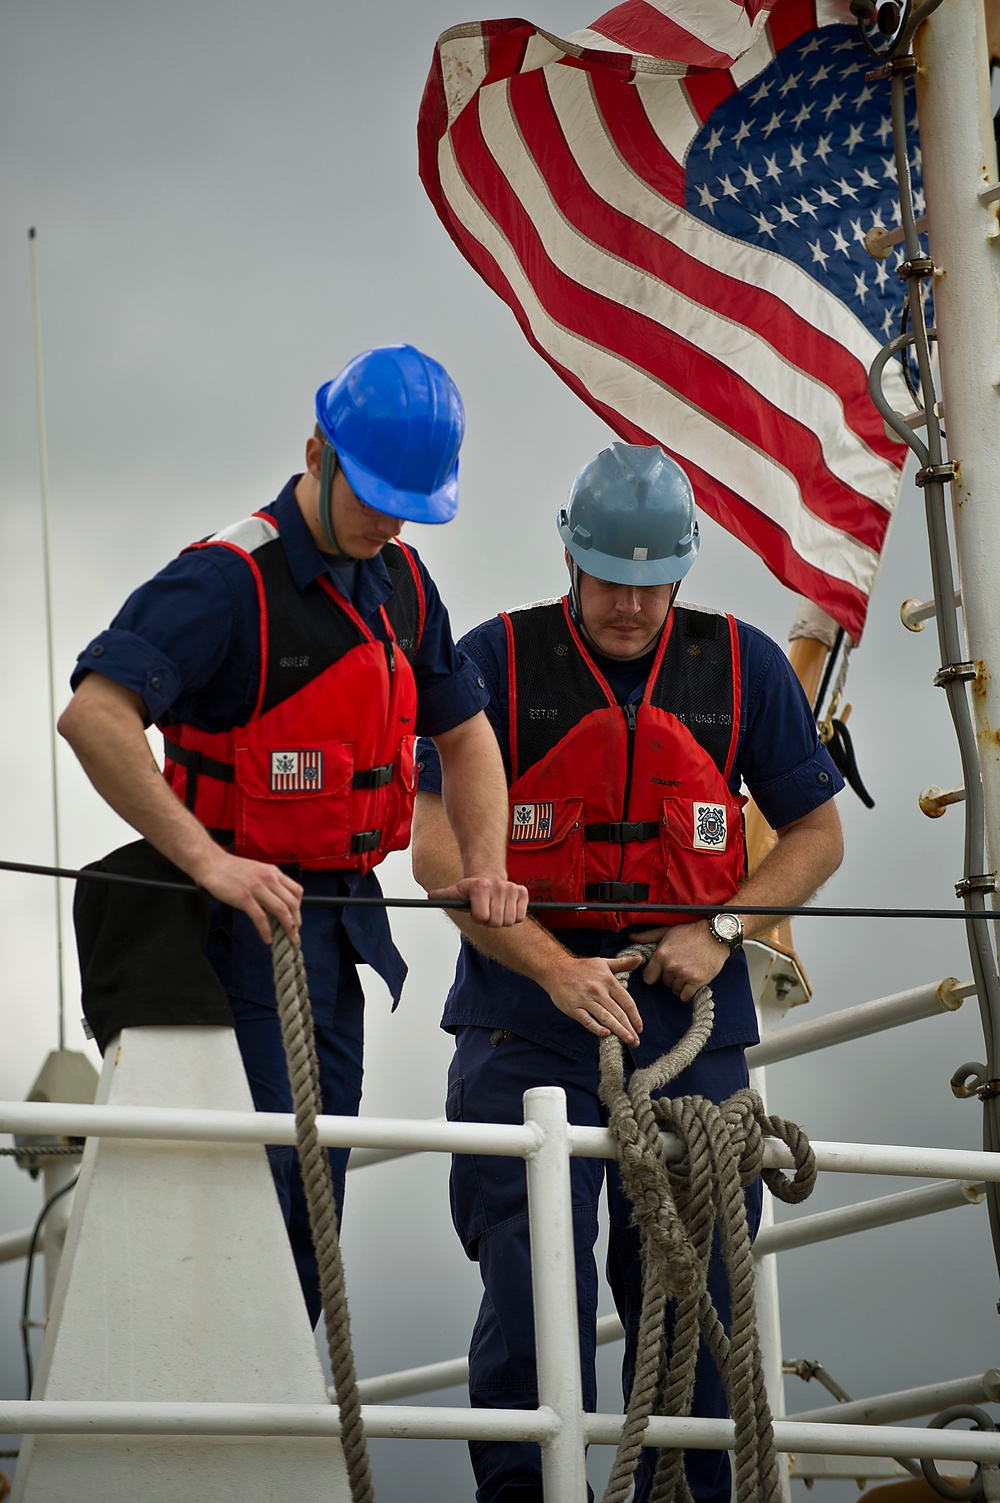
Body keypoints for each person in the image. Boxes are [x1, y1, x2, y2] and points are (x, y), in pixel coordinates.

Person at [58, 343, 527, 1325]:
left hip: (338, 935)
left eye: (412, 502)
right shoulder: (224, 583)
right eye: (377, 496)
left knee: (315, 1209)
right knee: (275, 1198)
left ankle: (276, 1418)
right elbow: (95, 716)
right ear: (318, 452)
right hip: (239, 936)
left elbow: (467, 733)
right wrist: (209, 860)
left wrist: (485, 866)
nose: (392, 520)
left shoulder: (400, 582)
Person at [411, 442, 845, 1503]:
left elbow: (816, 836)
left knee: (695, 1304)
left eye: (651, 586)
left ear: (681, 575)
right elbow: (431, 852)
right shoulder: (492, 664)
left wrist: (724, 923)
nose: (628, 606)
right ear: (570, 557)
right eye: (609, 579)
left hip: (688, 1034)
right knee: (531, 1298)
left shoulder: (741, 668)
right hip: (525, 1021)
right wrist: (554, 968)